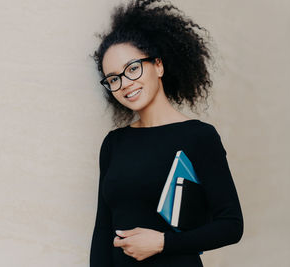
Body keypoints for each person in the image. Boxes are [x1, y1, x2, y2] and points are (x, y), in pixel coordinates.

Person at [89, 0, 244, 266]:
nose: (125, 84)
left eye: (133, 68)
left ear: (158, 66)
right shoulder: (114, 144)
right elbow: (103, 230)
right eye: (114, 79)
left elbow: (231, 225)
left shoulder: (199, 137)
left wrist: (163, 243)